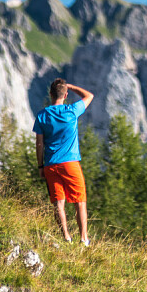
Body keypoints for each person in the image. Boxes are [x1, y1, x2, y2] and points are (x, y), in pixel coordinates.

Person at [33, 78, 95, 245]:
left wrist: (40, 165)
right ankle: (84, 239)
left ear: (50, 94)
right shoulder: (72, 110)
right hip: (70, 163)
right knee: (79, 201)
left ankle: (66, 237)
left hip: (50, 164)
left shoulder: (42, 115)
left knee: (58, 203)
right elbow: (89, 95)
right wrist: (72, 86)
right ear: (65, 95)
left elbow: (39, 143)